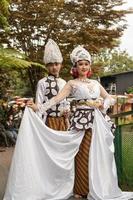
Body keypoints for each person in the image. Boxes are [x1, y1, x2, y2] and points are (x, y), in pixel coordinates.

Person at [4, 46, 133, 200]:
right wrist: (39, 107)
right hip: (79, 122)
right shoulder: (71, 83)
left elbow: (110, 98)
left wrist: (102, 104)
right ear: (75, 67)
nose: (83, 67)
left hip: (97, 122)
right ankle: (81, 189)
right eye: (80, 64)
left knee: (98, 155)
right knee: (80, 155)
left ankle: (98, 186)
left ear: (89, 66)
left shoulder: (95, 83)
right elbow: (56, 99)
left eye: (86, 63)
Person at [36, 39, 70, 130]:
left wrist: (67, 112)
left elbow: (65, 102)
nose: (54, 67)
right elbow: (39, 104)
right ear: (46, 66)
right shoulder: (42, 82)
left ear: (61, 65)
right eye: (51, 65)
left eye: (56, 64)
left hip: (62, 121)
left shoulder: (64, 82)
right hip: (48, 121)